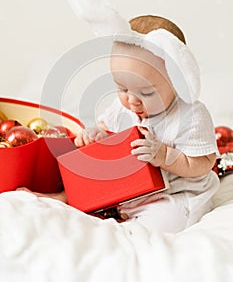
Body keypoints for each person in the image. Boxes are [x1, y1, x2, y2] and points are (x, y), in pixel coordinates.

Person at [18, 13, 220, 233]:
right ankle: (64, 198)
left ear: (178, 81)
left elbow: (203, 163)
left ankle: (127, 227)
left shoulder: (191, 115)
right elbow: (110, 137)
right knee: (92, 172)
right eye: (122, 88)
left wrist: (164, 156)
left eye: (146, 92)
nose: (132, 100)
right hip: (129, 188)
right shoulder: (122, 107)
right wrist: (97, 137)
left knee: (167, 220)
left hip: (174, 195)